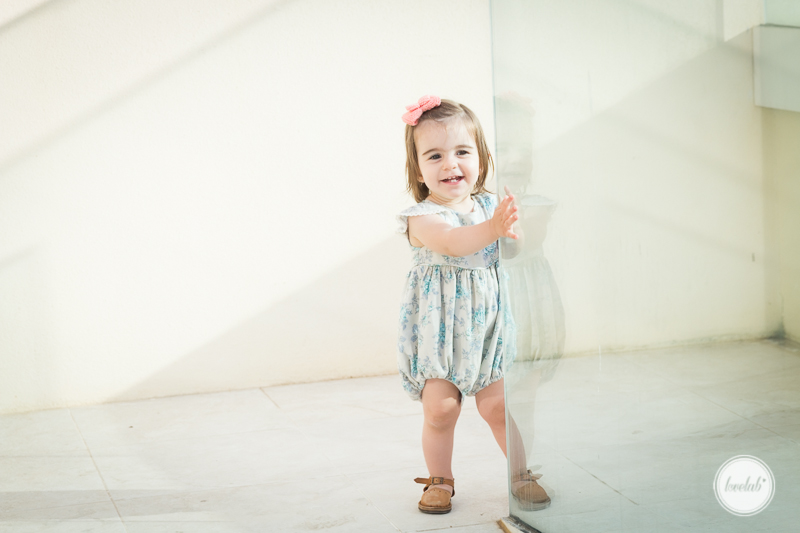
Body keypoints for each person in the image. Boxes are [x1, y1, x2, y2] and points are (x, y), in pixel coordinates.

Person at [395, 95, 550, 514]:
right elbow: (454, 243)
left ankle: (520, 472)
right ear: (419, 169)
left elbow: (507, 252)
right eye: (435, 156)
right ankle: (440, 479)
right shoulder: (422, 217)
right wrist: (494, 227)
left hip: (486, 332)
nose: (451, 164)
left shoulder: (488, 207)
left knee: (498, 407)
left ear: (481, 158)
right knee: (440, 410)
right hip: (439, 337)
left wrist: (513, 233)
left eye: (462, 151)